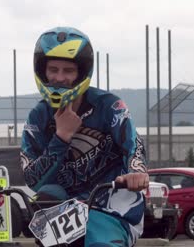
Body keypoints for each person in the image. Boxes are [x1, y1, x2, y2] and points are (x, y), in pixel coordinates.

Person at [20, 27, 149, 247]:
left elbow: (133, 144)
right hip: (65, 213)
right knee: (47, 195)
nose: (59, 78)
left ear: (81, 73)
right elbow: (32, 178)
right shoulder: (38, 117)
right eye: (53, 69)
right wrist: (61, 137)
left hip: (111, 207)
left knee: (101, 242)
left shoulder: (110, 106)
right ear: (42, 71)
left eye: (68, 70)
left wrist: (136, 171)